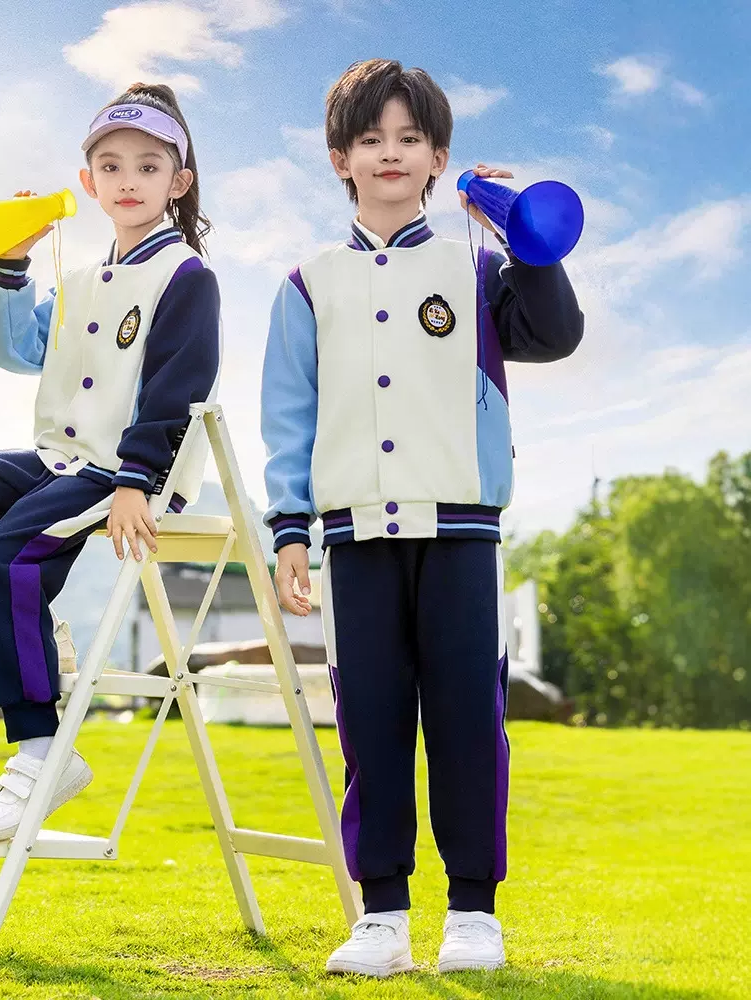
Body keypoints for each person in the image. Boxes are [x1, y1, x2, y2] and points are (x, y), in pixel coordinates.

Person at [260, 58, 583, 977]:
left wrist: (527, 239)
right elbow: (289, 413)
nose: (390, 153)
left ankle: (474, 910)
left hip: (462, 529)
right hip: (355, 535)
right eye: (371, 140)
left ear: (439, 156)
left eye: (409, 138)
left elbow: (554, 335)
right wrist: (290, 527)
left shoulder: (479, 265)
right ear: (340, 158)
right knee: (370, 719)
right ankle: (383, 915)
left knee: (466, 720)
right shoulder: (309, 281)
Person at [0, 82, 221, 843]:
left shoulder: (186, 277)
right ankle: (42, 636)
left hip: (128, 473)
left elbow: (177, 390)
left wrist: (135, 482)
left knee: (3, 556)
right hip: (67, 461)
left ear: (176, 183)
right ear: (87, 184)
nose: (127, 180)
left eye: (148, 167)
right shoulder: (83, 281)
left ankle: (41, 753)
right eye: (110, 166)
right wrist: (12, 267)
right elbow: (19, 352)